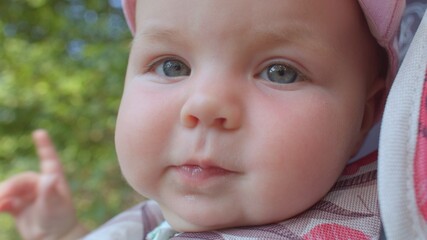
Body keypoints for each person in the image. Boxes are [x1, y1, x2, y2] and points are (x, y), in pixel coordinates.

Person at [0, 0, 405, 239]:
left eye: (279, 72)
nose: (204, 104)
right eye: (172, 66)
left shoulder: (395, 222)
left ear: (365, 116)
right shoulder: (148, 220)